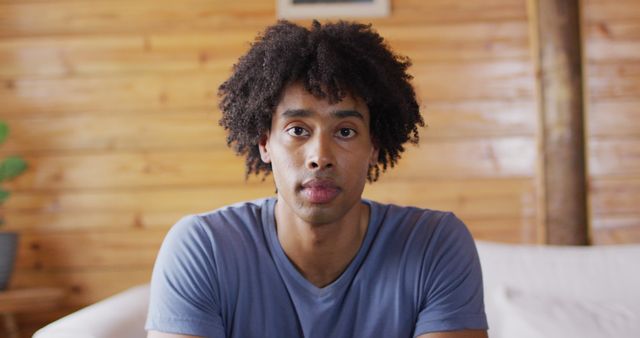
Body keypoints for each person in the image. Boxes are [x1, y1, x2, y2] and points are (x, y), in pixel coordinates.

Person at [145, 20, 488, 338]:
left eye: (345, 131)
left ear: (374, 146)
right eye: (297, 130)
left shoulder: (435, 245)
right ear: (265, 143)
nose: (320, 156)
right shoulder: (203, 249)